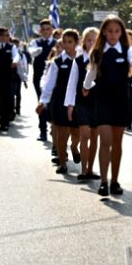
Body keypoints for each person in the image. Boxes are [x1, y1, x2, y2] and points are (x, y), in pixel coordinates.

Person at [83, 15, 132, 196]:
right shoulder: (98, 51)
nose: (113, 34)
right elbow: (91, 73)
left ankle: (115, 180)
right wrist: (85, 87)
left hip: (121, 100)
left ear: (121, 32)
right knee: (105, 141)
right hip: (102, 100)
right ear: (104, 32)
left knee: (117, 143)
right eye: (109, 31)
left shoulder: (127, 49)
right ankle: (103, 181)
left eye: (117, 31)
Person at [36, 29, 81, 174]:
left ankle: (74, 147)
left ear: (76, 42)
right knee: (62, 134)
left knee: (77, 132)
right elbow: (49, 83)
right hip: (59, 101)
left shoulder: (83, 60)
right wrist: (43, 101)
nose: (67, 45)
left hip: (77, 101)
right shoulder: (56, 62)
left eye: (70, 42)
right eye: (65, 42)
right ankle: (62, 163)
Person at [65, 27, 100, 181]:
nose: (91, 42)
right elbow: (72, 84)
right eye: (88, 39)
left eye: (94, 39)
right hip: (82, 103)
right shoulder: (78, 61)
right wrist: (70, 105)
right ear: (84, 42)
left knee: (94, 138)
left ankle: (91, 169)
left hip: (98, 104)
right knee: (84, 135)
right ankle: (84, 170)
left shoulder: (102, 59)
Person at [28, 19, 57, 140]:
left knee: (53, 104)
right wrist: (37, 50)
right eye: (43, 29)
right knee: (42, 103)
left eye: (48, 29)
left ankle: (54, 129)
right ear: (40, 31)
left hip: (55, 78)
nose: (46, 31)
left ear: (52, 30)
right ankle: (43, 131)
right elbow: (32, 52)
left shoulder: (57, 43)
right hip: (39, 78)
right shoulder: (35, 42)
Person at [0, 28, 19, 132]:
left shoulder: (12, 47)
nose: (6, 37)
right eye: (4, 35)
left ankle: (4, 123)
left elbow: (16, 56)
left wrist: (15, 61)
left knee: (6, 101)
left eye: (7, 35)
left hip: (7, 78)